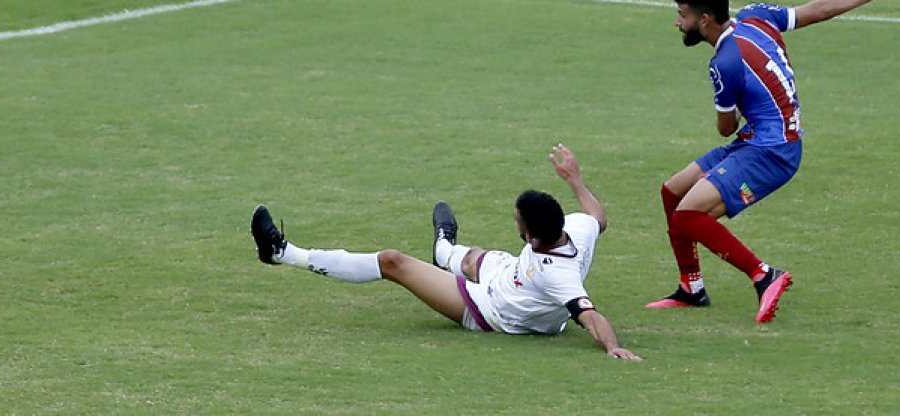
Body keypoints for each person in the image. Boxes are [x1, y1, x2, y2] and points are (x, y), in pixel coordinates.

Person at [648, 0, 900, 322]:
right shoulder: (757, 17)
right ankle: (691, 288)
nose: (678, 22)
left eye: (683, 15)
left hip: (771, 152)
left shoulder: (724, 64)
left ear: (704, 19)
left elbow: (726, 128)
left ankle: (764, 275)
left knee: (688, 214)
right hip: (762, 139)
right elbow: (816, 10)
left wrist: (737, 100)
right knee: (673, 192)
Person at [251, 144, 642, 360]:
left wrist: (613, 346)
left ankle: (282, 253)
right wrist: (575, 180)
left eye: (517, 221)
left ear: (531, 237)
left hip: (493, 309)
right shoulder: (576, 229)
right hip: (510, 274)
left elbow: (588, 315)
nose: (514, 222)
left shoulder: (559, 276)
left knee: (393, 261)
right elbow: (598, 217)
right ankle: (443, 248)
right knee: (473, 257)